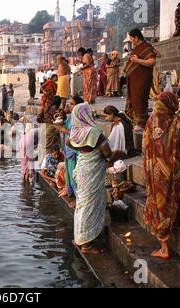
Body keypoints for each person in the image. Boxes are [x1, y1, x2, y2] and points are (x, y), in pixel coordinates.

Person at [143, 92, 180, 260]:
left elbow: (145, 148)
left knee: (161, 204)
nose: (156, 107)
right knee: (172, 195)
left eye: (158, 104)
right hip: (176, 168)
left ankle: (164, 247)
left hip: (158, 171)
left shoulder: (151, 121)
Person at [68, 103, 113, 254]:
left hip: (81, 170)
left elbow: (69, 143)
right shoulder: (94, 132)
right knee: (90, 206)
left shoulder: (75, 131)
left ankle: (79, 238)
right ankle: (86, 245)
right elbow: (107, 152)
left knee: (82, 205)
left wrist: (83, 150)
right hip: (91, 173)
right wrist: (109, 156)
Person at [124, 28, 157, 131]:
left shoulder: (147, 47)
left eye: (132, 39)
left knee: (140, 99)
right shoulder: (137, 47)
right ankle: (137, 121)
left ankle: (141, 123)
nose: (131, 41)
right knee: (135, 99)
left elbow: (152, 62)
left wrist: (137, 60)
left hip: (142, 79)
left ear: (136, 37)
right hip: (135, 80)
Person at [55, 96, 83, 200]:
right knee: (68, 173)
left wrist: (63, 129)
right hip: (68, 150)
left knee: (74, 175)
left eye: (72, 104)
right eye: (69, 104)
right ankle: (70, 192)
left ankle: (77, 198)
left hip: (74, 151)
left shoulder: (80, 119)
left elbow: (78, 135)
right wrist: (62, 120)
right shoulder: (71, 116)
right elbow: (66, 126)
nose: (69, 106)